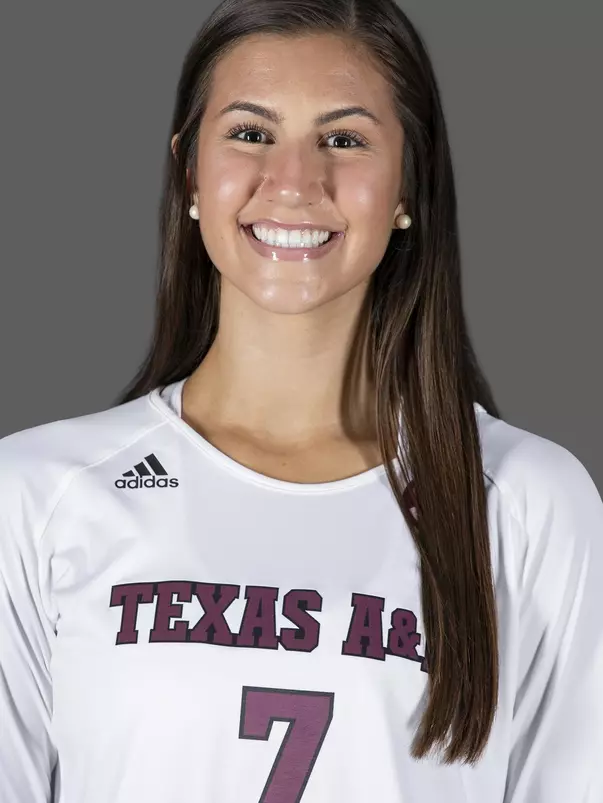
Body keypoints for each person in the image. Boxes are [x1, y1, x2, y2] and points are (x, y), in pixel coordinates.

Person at [1, 0, 602, 801]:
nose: (292, 181)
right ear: (189, 171)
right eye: (250, 133)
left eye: (343, 140)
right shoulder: (35, 495)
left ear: (407, 183)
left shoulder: (526, 502)